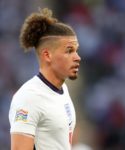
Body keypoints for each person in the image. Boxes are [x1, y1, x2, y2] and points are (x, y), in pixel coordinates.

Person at [9, 7, 81, 150]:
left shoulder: (63, 90)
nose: (77, 57)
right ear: (47, 55)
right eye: (69, 51)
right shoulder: (29, 97)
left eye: (76, 50)